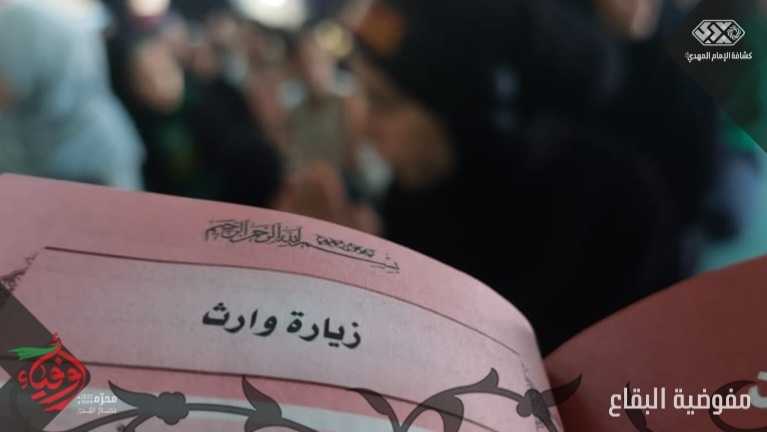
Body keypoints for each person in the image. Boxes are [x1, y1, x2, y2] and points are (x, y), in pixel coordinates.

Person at [343, 0, 719, 353]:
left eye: (382, 103)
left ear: (477, 112)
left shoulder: (614, 212)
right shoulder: (413, 197)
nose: (363, 127)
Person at [0, 0, 144, 189]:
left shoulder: (18, 17)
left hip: (73, 162)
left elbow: (6, 90)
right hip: (92, 148)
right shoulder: (53, 7)